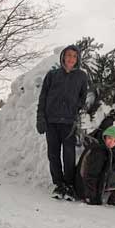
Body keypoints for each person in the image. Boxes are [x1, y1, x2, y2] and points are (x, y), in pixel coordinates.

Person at [36, 45, 88, 200]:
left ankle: (69, 185)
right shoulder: (52, 75)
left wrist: (74, 110)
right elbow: (43, 97)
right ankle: (59, 185)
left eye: (74, 56)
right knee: (53, 154)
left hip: (69, 123)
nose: (71, 58)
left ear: (77, 59)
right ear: (63, 57)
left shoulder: (81, 76)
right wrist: (40, 118)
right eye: (68, 55)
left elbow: (82, 97)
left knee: (69, 155)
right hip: (51, 121)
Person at [74, 126, 115, 208]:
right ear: (104, 137)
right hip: (83, 188)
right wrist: (91, 197)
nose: (111, 142)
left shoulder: (104, 148)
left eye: (114, 141)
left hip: (95, 180)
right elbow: (91, 175)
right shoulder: (99, 151)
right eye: (109, 138)